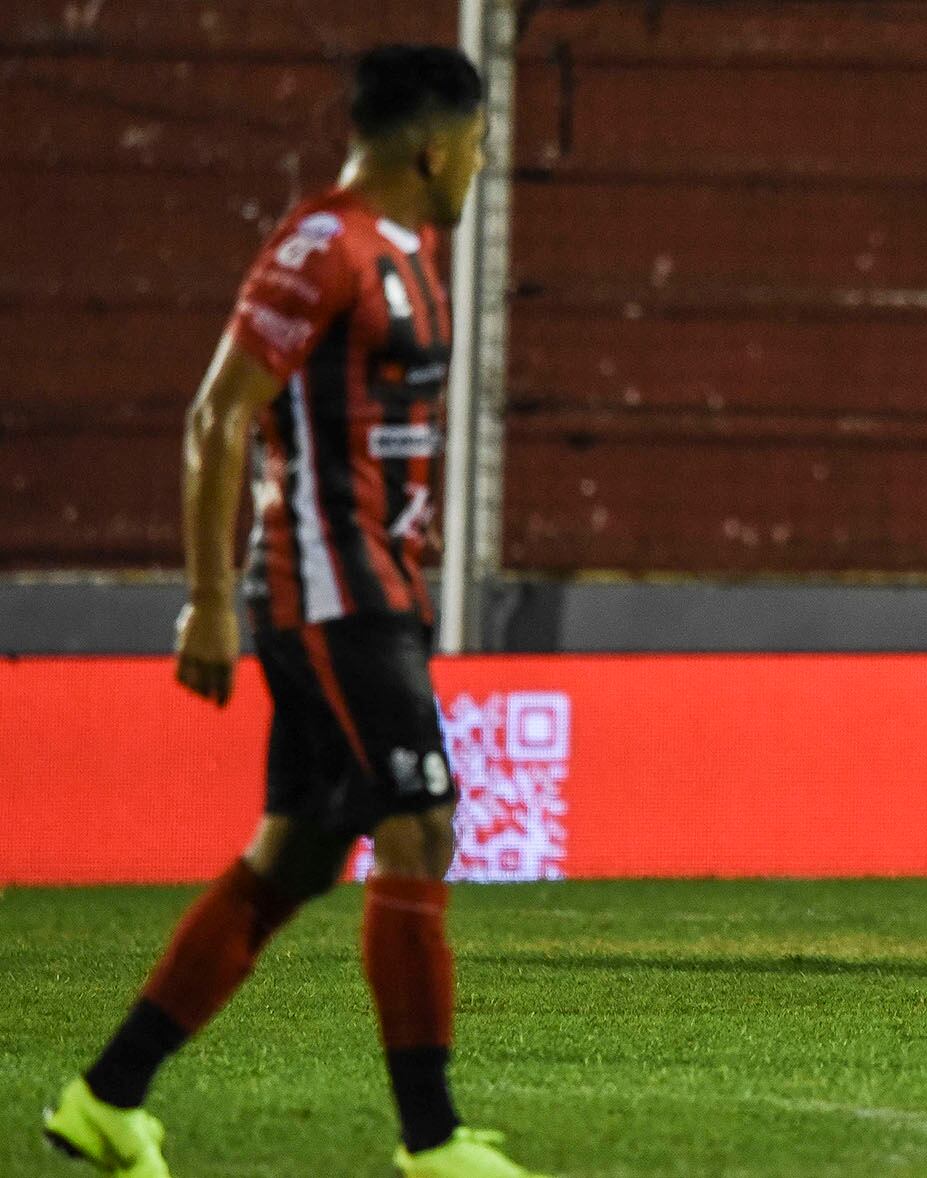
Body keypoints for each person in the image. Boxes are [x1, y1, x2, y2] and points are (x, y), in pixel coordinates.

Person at [43, 46, 550, 1178]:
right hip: (329, 593)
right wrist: (210, 601)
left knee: (297, 857)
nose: (481, 161)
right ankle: (433, 1141)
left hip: (384, 595)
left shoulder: (413, 253)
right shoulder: (324, 248)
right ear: (434, 147)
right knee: (419, 820)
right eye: (475, 143)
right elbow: (217, 416)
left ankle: (105, 1097)